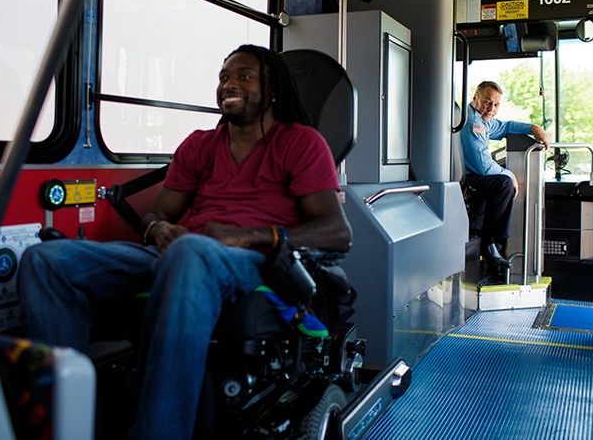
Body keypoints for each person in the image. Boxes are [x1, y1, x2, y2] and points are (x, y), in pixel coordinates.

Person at [18, 44, 353, 439]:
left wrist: (250, 235)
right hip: (181, 253)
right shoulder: (198, 146)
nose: (229, 84)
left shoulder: (300, 143)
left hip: (251, 261)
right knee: (45, 260)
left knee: (192, 252)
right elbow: (158, 215)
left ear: (273, 89)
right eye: (224, 76)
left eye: (244, 76)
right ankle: (66, 425)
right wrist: (158, 230)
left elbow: (337, 232)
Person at [461, 80, 550, 270]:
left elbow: (506, 126)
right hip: (466, 178)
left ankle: (490, 239)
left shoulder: (481, 119)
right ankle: (489, 242)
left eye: (496, 104)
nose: (491, 108)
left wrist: (533, 128)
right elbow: (484, 167)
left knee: (501, 182)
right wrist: (510, 174)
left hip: (473, 176)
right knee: (503, 183)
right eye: (487, 102)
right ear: (475, 98)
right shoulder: (473, 122)